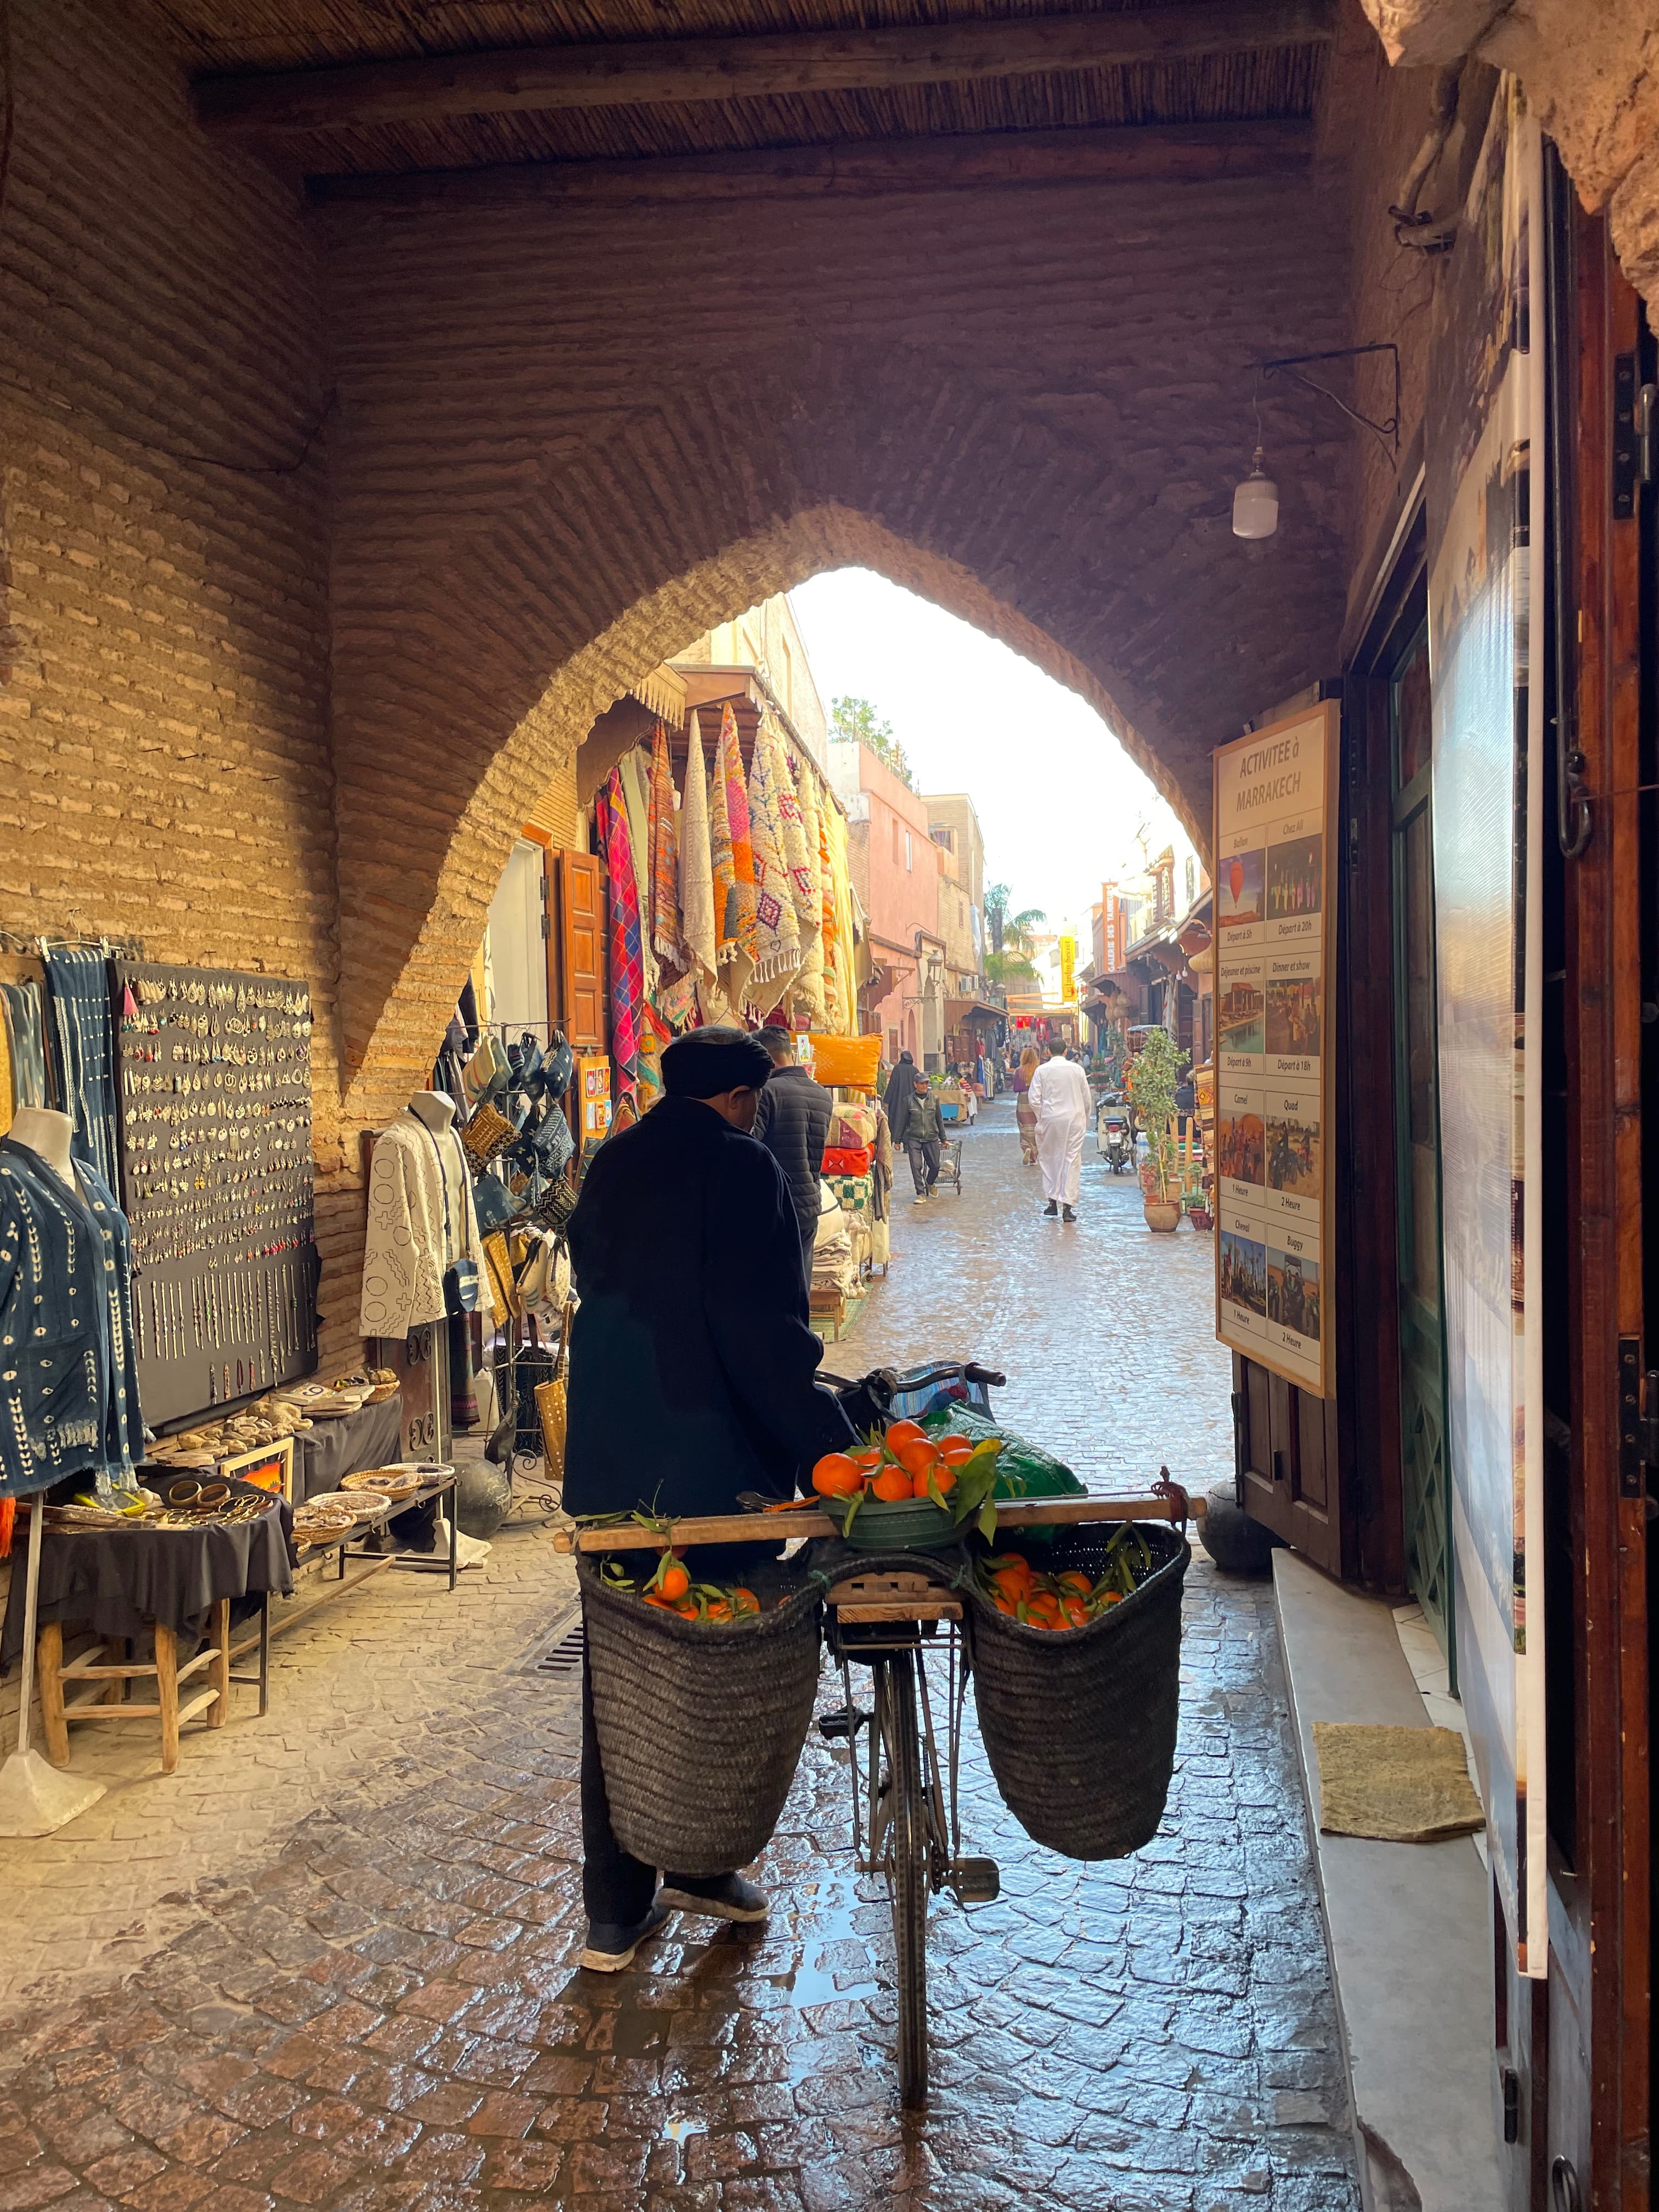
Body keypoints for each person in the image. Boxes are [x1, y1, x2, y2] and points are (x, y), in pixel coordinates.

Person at [565, 1025, 857, 1972]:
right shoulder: (740, 1168)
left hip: (611, 1461)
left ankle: (615, 1910)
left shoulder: (611, 1161)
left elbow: (596, 1283)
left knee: (617, 1680)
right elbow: (758, 1326)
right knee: (714, 1668)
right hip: (706, 1462)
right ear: (741, 1095)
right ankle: (702, 1860)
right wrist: (822, 1447)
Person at [749, 1024, 832, 1286]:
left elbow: (751, 1145)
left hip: (775, 1204)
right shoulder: (822, 1095)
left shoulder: (767, 1093)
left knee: (772, 1287)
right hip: (809, 1203)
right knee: (800, 1284)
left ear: (768, 1059)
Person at [1028, 1040, 1092, 1221]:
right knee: (1071, 1160)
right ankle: (1068, 1206)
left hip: (1051, 1120)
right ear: (1066, 1051)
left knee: (1050, 1158)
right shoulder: (1077, 1070)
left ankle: (1052, 1202)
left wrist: (1043, 1117)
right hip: (1074, 1120)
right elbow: (1087, 1098)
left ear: (1048, 1051)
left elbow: (1034, 1099)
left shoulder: (1041, 1071)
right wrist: (1085, 1119)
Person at [903, 1068, 944, 1203]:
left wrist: (944, 1138)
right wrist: (897, 1140)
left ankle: (930, 1182)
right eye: (922, 1084)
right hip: (914, 1138)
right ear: (916, 1085)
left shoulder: (935, 1099)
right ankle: (920, 1194)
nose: (925, 1086)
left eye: (926, 1083)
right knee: (916, 1166)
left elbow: (939, 1120)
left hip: (932, 1137)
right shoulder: (908, 1101)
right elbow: (902, 1122)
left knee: (935, 1166)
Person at [883, 1047, 917, 1148]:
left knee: (895, 1121)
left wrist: (887, 1100)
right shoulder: (915, 1070)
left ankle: (892, 1142)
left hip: (897, 1101)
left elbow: (892, 1085)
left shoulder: (897, 1068)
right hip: (912, 1101)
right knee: (909, 1122)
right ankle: (907, 1146)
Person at [1013, 1045, 1040, 1166]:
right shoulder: (1039, 1070)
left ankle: (1026, 1147)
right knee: (1036, 1126)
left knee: (1024, 1126)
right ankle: (1035, 1155)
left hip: (1023, 1099)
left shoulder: (1019, 1071)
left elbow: (1016, 1088)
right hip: (1036, 1098)